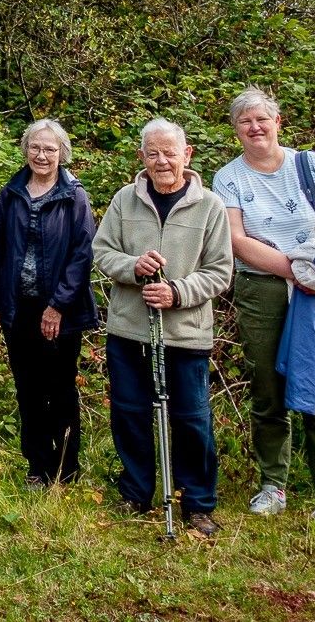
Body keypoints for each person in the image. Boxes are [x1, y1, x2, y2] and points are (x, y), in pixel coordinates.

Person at [215, 86, 315, 528]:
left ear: (278, 122)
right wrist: (295, 272)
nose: (255, 128)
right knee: (267, 388)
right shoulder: (228, 178)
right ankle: (273, 484)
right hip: (264, 288)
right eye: (245, 121)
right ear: (236, 130)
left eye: (262, 119)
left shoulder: (309, 165)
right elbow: (237, 240)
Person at [93, 118, 232, 536]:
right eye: (152, 153)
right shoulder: (124, 200)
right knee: (130, 413)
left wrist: (177, 291)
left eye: (170, 152)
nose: (162, 161)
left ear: (187, 155)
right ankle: (136, 493)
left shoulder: (210, 206)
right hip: (129, 330)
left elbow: (221, 271)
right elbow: (102, 251)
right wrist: (133, 268)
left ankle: (198, 504)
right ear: (141, 157)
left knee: (191, 418)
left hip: (186, 332)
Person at [0, 119, 98, 484]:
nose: (42, 155)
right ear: (25, 150)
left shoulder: (74, 195)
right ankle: (37, 466)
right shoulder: (11, 193)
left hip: (62, 310)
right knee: (27, 389)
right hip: (19, 307)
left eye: (49, 149)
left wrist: (57, 304)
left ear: (62, 153)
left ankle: (66, 468)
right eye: (35, 147)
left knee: (59, 389)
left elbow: (83, 254)